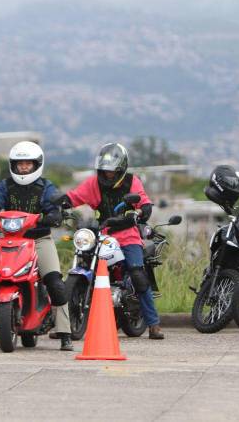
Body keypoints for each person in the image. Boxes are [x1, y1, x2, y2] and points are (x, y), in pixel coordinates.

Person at [0, 141, 73, 351]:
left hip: (38, 240)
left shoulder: (46, 187)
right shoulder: (5, 185)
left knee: (55, 282)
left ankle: (65, 333)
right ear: (13, 165)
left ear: (36, 165)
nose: (24, 168)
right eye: (20, 164)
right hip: (7, 240)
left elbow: (53, 207)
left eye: (28, 164)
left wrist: (54, 215)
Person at [58, 142, 164, 340]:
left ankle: (153, 323)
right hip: (102, 233)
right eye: (105, 171)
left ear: (121, 169)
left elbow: (144, 203)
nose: (108, 175)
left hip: (128, 234)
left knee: (137, 273)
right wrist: (58, 203)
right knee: (83, 262)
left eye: (112, 171)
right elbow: (74, 196)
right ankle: (63, 324)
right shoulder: (93, 184)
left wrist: (141, 212)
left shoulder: (133, 182)